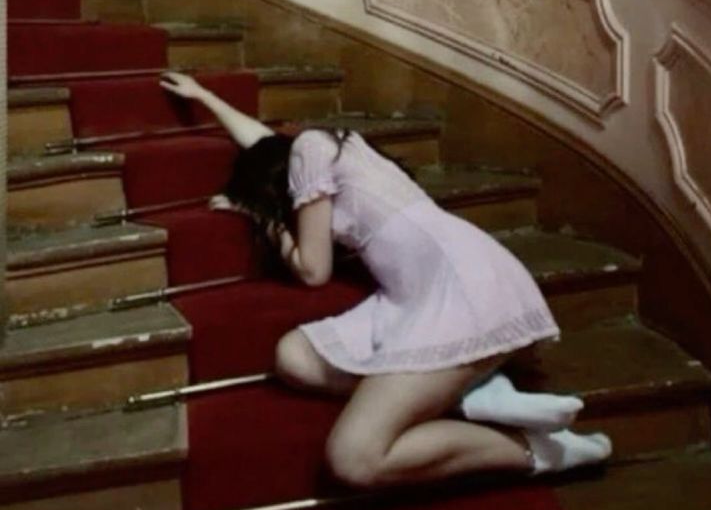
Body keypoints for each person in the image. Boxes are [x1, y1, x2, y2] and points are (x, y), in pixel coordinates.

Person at [160, 72, 612, 488]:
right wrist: (205, 97)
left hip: (460, 284)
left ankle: (540, 451)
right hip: (419, 290)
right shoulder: (331, 147)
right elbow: (261, 143)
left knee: (354, 459)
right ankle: (471, 396)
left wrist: (266, 220)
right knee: (294, 357)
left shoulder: (310, 149)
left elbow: (313, 271)